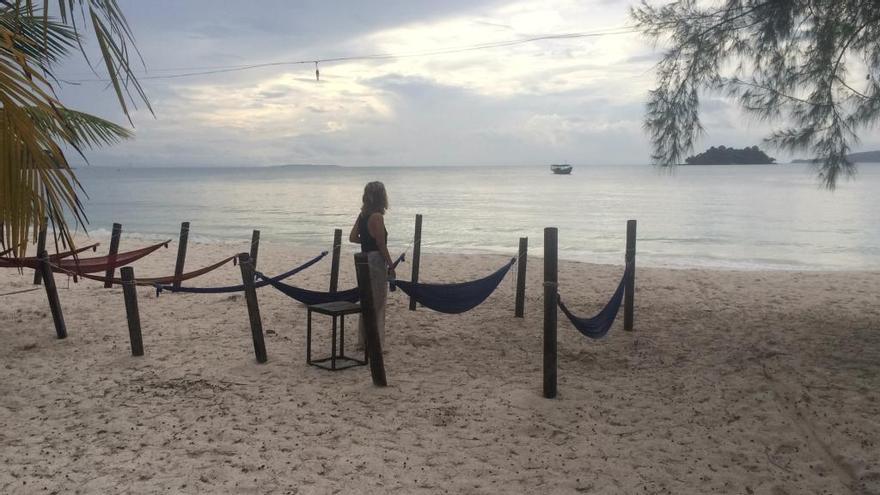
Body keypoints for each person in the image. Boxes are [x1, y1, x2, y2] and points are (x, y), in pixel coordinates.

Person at [349, 181, 394, 349]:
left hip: (364, 258)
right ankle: (376, 343)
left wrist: (366, 242)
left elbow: (352, 237)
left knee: (366, 300)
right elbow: (381, 245)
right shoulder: (377, 217)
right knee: (378, 302)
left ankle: (364, 341)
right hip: (375, 261)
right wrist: (391, 265)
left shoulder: (362, 215)